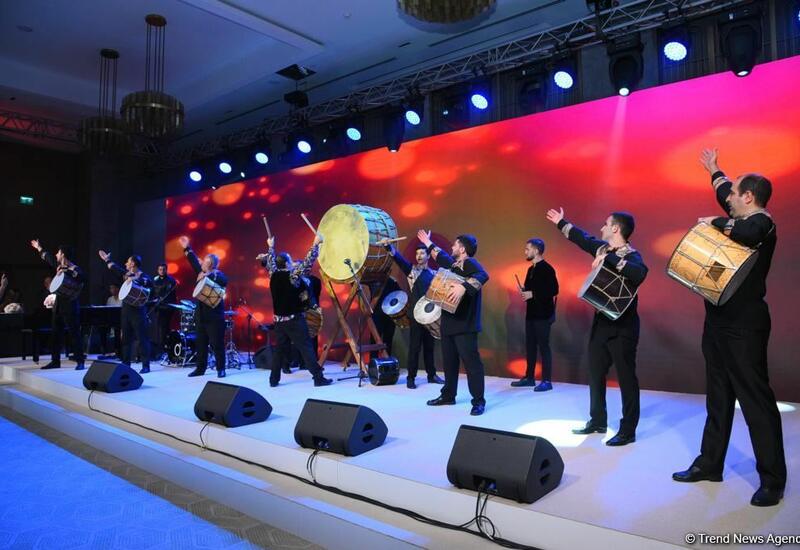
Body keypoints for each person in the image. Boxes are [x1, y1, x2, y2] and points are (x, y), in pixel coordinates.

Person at [672, 149, 786, 507]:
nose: (728, 200)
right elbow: (725, 194)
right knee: (718, 396)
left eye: (735, 194)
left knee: (755, 401)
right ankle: (710, 464)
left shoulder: (762, 224)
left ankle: (772, 480)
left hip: (745, 326)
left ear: (748, 197)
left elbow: (746, 231)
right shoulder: (740, 213)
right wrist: (715, 170)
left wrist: (715, 222)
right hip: (718, 322)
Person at [546, 208, 648, 446]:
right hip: (602, 323)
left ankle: (628, 430)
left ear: (616, 228)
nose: (602, 228)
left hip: (624, 327)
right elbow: (583, 239)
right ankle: (598, 421)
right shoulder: (602, 249)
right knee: (595, 372)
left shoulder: (632, 256)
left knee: (626, 378)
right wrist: (561, 222)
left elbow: (640, 274)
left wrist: (608, 259)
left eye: (606, 224)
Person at [416, 230, 489, 416]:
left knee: (472, 365)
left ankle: (478, 401)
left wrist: (464, 287)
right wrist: (428, 243)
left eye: (455, 245)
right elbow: (441, 257)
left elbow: (483, 275)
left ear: (462, 249)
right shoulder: (455, 265)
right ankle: (448, 395)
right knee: (449, 363)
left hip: (465, 325)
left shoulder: (470, 263)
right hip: (449, 324)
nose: (452, 247)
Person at [258, 232, 331, 388]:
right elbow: (307, 263)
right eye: (290, 261)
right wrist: (315, 244)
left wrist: (270, 247)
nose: (293, 263)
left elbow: (271, 262)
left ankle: (273, 380)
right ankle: (318, 378)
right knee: (306, 348)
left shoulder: (273, 275)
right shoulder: (292, 276)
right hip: (294, 321)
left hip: (279, 322)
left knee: (279, 351)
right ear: (286, 263)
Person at [382, 241, 444, 389]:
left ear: (428, 256)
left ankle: (431, 375)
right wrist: (388, 247)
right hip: (416, 315)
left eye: (422, 253)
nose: (419, 256)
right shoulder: (412, 272)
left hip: (429, 315)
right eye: (417, 254)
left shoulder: (435, 274)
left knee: (429, 347)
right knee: (414, 347)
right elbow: (399, 260)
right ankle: (411, 377)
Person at [511, 238, 559, 391]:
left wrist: (533, 294)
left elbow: (554, 290)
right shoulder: (530, 269)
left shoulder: (547, 269)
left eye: (527, 249)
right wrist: (524, 291)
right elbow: (531, 290)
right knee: (530, 346)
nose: (525, 251)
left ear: (536, 251)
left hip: (543, 315)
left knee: (544, 347)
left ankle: (547, 381)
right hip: (531, 314)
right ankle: (529, 377)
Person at [30, 240, 85, 370]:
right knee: (55, 334)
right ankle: (55, 361)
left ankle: (80, 361)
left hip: (70, 304)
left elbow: (83, 278)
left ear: (63, 254)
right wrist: (39, 248)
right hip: (59, 304)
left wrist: (67, 270)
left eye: (58, 253)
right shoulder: (59, 266)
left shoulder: (75, 269)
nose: (56, 254)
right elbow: (48, 258)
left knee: (74, 333)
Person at [179, 236, 227, 378]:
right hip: (200, 315)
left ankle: (221, 368)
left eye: (205, 262)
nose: (202, 263)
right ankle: (200, 369)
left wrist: (207, 276)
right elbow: (194, 261)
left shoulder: (218, 275)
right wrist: (186, 248)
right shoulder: (201, 272)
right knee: (201, 344)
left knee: (217, 344)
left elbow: (224, 282)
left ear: (211, 264)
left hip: (214, 317)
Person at [99, 251, 153, 374]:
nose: (125, 263)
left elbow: (148, 283)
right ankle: (126, 363)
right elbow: (115, 268)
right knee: (126, 339)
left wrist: (134, 278)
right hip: (126, 310)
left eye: (128, 262)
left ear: (133, 263)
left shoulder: (143, 276)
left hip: (138, 311)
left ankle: (146, 365)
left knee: (142, 339)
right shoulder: (126, 274)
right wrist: (107, 260)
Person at [151, 262, 177, 355]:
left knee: (164, 328)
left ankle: (164, 348)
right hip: (158, 307)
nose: (162, 271)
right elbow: (153, 292)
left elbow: (170, 295)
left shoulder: (171, 280)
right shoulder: (155, 280)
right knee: (159, 328)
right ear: (158, 270)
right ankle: (160, 348)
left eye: (163, 269)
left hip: (167, 308)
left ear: (166, 270)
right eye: (160, 269)